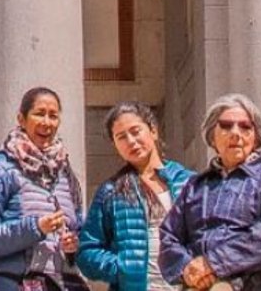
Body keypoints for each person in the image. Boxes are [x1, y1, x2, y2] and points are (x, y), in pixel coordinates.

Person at [159, 94, 261, 291]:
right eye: (226, 126)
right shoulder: (196, 186)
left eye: (245, 127)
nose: (236, 133)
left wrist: (213, 264)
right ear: (212, 137)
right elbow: (169, 236)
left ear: (256, 137)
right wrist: (188, 269)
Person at [0, 86, 86, 291]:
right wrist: (35, 227)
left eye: (53, 116)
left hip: (66, 283)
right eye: (39, 114)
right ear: (21, 119)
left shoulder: (65, 171)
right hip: (19, 283)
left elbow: (79, 226)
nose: (46, 122)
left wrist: (74, 245)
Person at [78, 101, 194, 291]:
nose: (131, 141)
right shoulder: (111, 191)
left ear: (153, 131)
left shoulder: (189, 182)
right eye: (121, 137)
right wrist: (123, 267)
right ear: (115, 145)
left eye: (135, 131)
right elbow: (86, 253)